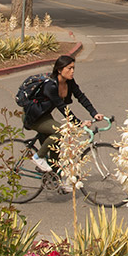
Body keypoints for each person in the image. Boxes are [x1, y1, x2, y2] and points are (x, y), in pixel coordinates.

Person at [26, 55, 105, 191]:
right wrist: (78, 123)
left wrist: (94, 113)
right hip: (34, 117)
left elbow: (81, 96)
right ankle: (37, 157)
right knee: (60, 131)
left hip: (45, 116)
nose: (72, 71)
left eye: (73, 68)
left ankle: (55, 179)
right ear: (59, 70)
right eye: (69, 68)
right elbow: (62, 107)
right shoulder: (50, 86)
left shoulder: (69, 82)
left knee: (57, 146)